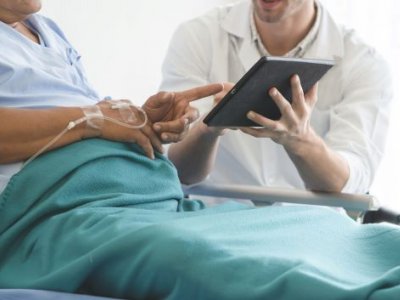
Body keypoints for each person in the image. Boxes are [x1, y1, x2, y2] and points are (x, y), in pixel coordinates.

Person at [1, 1, 400, 300]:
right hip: (69, 211)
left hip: (151, 197)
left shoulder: (46, 30)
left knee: (316, 226)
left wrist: (143, 121)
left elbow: (350, 177)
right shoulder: (200, 34)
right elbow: (86, 122)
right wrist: (99, 118)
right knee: (222, 259)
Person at [160, 0, 393, 198]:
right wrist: (208, 128)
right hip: (215, 223)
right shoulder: (198, 37)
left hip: (313, 231)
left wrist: (301, 140)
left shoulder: (364, 64)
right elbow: (180, 171)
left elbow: (349, 181)